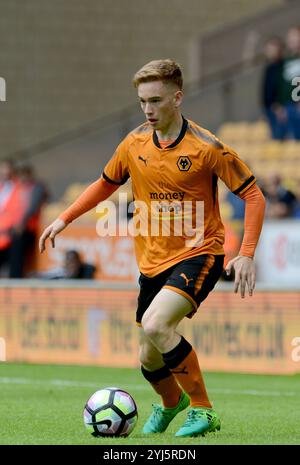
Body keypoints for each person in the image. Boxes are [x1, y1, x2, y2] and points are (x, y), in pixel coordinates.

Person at [39, 59, 265, 437]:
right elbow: (106, 183)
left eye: (156, 100)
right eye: (142, 101)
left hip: (200, 252)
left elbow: (254, 196)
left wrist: (246, 253)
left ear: (177, 98)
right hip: (152, 263)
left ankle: (203, 410)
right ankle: (171, 403)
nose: (148, 109)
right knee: (148, 354)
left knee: (158, 323)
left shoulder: (207, 147)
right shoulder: (134, 142)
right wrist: (65, 217)